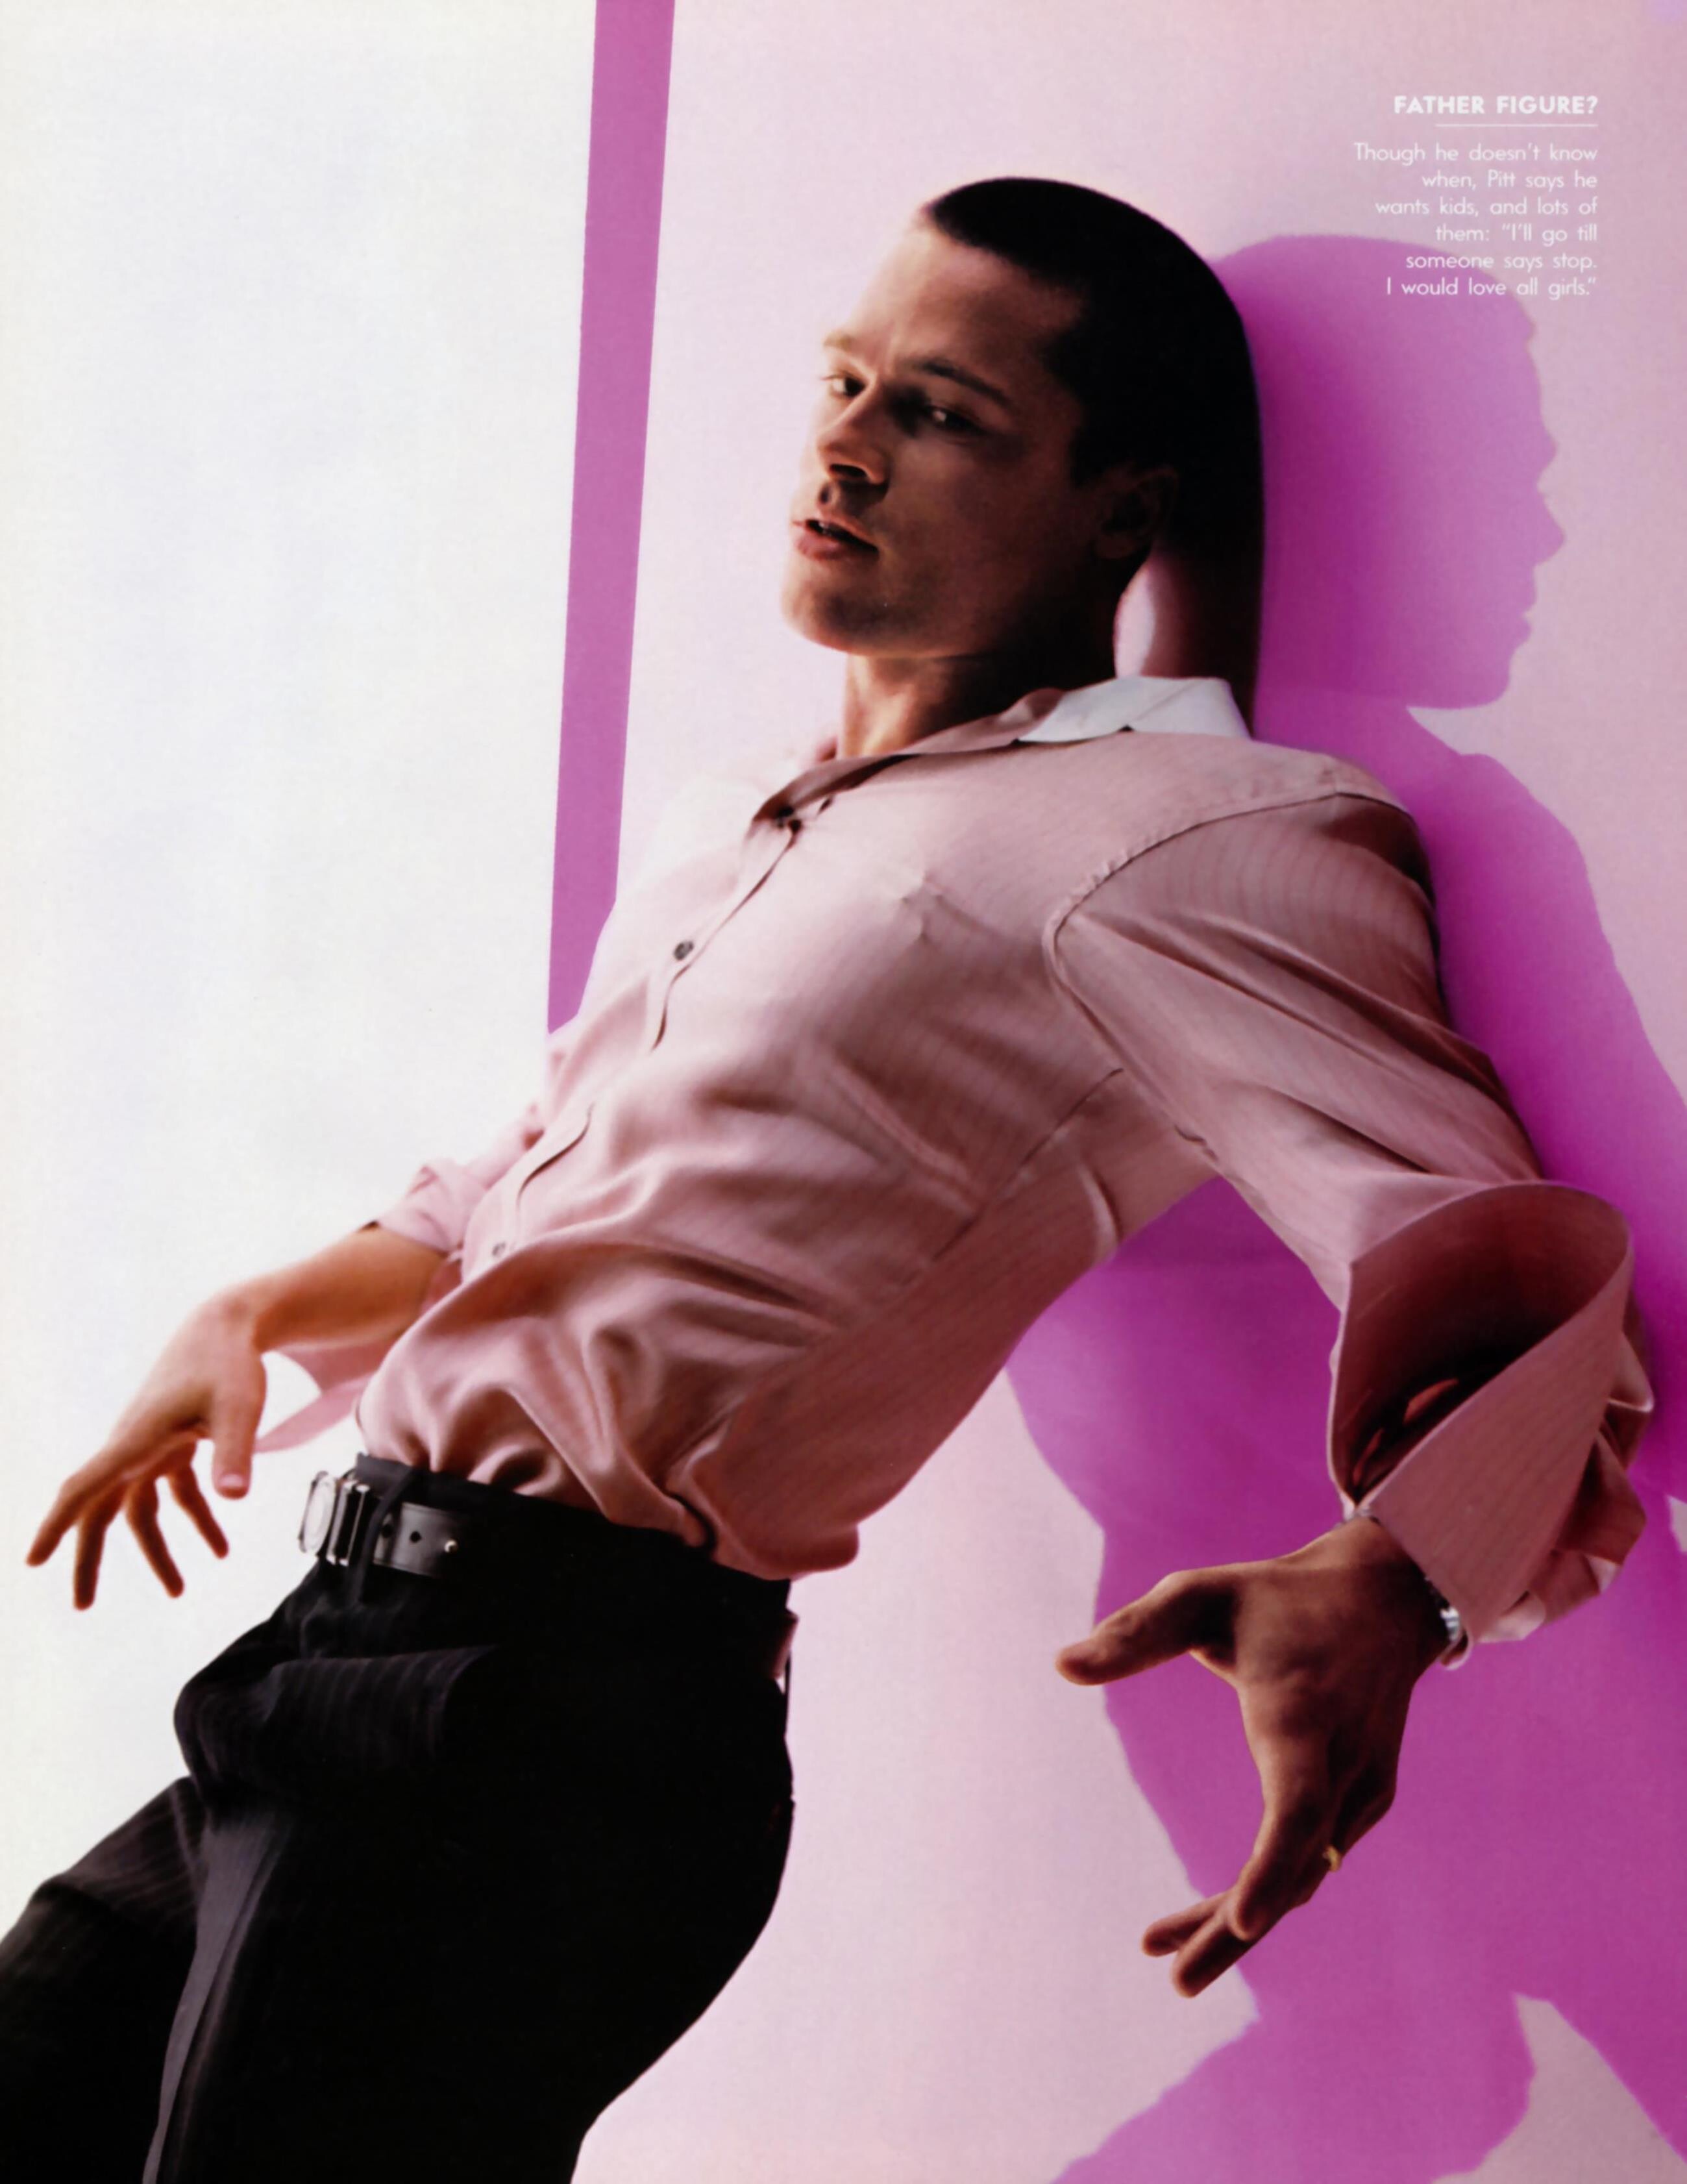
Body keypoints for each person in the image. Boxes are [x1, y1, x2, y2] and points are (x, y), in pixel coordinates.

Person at [1, 177, 1651, 2182]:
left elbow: (1503, 1258)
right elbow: (527, 1177)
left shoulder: (1193, 836)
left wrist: (1406, 1578)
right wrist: (246, 1315)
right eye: (845, 382)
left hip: (557, 1709)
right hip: (340, 1649)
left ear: (1120, 509)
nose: (847, 448)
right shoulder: (741, 810)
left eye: (941, 414)